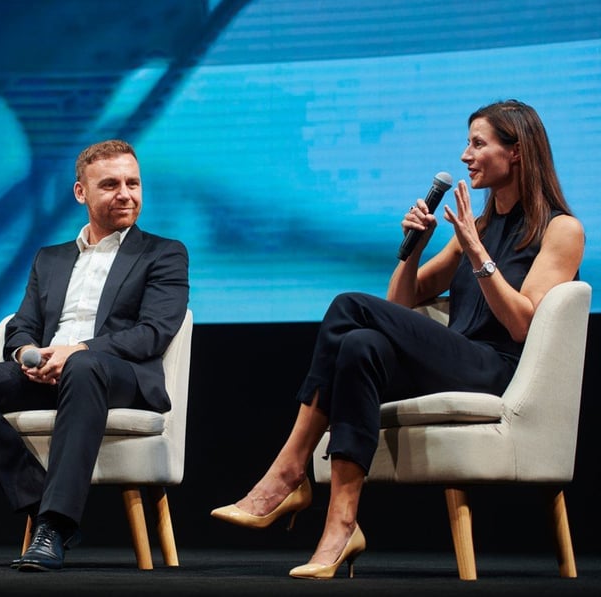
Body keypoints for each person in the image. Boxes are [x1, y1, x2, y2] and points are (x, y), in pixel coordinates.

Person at [210, 99, 584, 579]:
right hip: (459, 358)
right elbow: (400, 300)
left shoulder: (559, 229)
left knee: (348, 304)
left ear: (516, 152)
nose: (466, 155)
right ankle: (341, 525)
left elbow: (523, 325)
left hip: (501, 370)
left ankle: (289, 469)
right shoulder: (482, 224)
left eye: (478, 143)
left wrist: (475, 252)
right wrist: (416, 250)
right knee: (358, 346)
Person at [0, 139, 189, 572]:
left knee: (85, 365)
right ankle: (36, 497)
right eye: (110, 184)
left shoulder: (163, 253)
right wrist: (28, 354)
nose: (125, 193)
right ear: (81, 193)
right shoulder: (50, 258)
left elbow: (152, 334)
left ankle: (52, 526)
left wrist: (77, 351)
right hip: (50, 374)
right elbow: (22, 326)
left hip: (118, 376)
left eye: (133, 183)